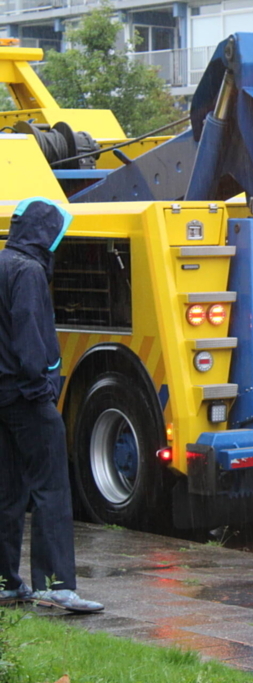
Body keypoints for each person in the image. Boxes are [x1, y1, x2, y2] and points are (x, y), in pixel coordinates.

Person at [0, 198, 103, 613]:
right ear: (46, 234)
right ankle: (56, 584)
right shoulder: (28, 273)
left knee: (7, 491)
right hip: (26, 396)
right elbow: (30, 338)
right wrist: (41, 386)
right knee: (51, 489)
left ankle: (6, 582)